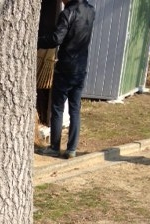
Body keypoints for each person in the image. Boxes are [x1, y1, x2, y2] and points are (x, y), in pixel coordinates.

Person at [37, 0, 96, 159]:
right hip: (81, 66)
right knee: (75, 108)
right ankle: (72, 149)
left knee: (57, 108)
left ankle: (55, 147)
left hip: (65, 66)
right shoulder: (91, 10)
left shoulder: (67, 13)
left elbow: (56, 38)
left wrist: (36, 41)